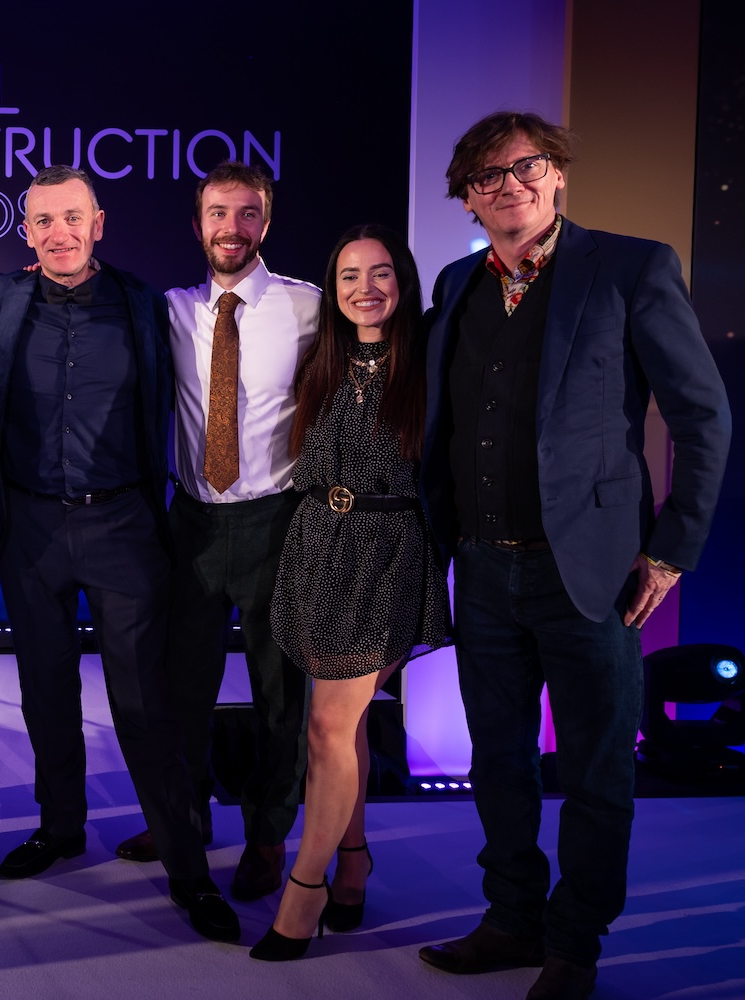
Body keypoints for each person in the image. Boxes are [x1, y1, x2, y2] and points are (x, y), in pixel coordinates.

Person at [418, 112, 729, 1000]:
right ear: (468, 199)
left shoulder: (632, 267)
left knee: (595, 767)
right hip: (481, 569)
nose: (508, 185)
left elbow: (702, 415)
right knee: (498, 760)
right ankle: (512, 918)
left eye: (525, 166)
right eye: (486, 176)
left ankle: (575, 943)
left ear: (557, 174)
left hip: (589, 571)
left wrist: (670, 551)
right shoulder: (456, 283)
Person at [0, 165, 239, 942]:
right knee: (45, 691)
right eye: (43, 221)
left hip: (123, 525)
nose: (58, 233)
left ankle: (188, 867)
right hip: (29, 526)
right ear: (25, 233)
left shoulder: (145, 304)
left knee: (144, 704)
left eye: (73, 217)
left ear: (99, 224)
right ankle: (60, 826)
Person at [114, 162, 319, 904]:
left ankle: (267, 836)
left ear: (267, 221)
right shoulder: (168, 309)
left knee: (279, 698)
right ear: (197, 223)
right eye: (217, 213)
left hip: (278, 521)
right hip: (193, 521)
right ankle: (186, 819)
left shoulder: (309, 307)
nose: (232, 228)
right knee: (182, 691)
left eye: (247, 213)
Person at [250, 224, 450, 960]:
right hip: (317, 546)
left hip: (387, 553)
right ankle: (355, 860)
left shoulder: (428, 360)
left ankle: (305, 889)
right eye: (349, 276)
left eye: (381, 273)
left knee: (328, 729)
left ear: (404, 281)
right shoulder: (324, 360)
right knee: (348, 725)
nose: (366, 288)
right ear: (332, 290)